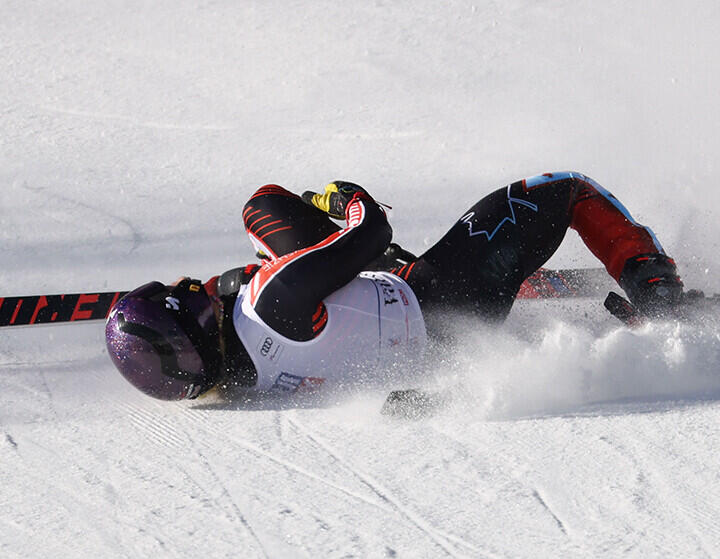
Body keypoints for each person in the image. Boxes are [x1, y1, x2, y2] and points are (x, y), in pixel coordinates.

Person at [105, 171, 685, 400]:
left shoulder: (235, 382)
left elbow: (254, 295)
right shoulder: (272, 296)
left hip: (429, 350)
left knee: (263, 209)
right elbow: (372, 227)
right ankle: (656, 287)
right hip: (443, 294)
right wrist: (343, 197)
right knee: (566, 189)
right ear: (191, 308)